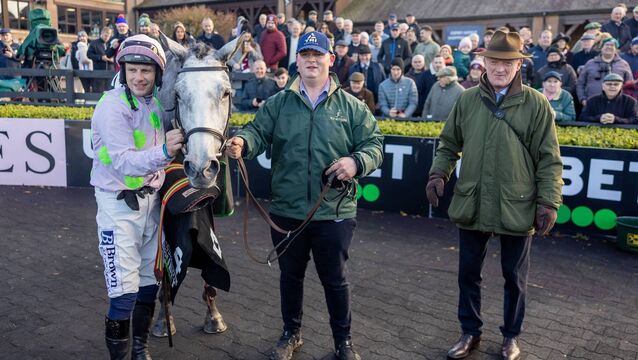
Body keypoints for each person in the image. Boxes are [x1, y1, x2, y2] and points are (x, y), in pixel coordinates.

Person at [225, 31, 383, 360]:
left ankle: (344, 341)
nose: (312, 60)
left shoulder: (351, 107)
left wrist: (356, 161)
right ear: (297, 60)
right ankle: (291, 334)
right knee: (290, 277)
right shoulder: (279, 103)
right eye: (305, 54)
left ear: (330, 59)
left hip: (334, 211)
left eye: (318, 54)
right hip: (287, 210)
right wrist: (243, 143)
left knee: (335, 280)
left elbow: (374, 146)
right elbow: (256, 132)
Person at [426, 30, 563, 360]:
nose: (500, 68)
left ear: (519, 65)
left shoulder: (536, 103)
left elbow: (549, 158)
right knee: (468, 274)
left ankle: (511, 336)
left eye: (508, 62)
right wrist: (438, 172)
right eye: (494, 61)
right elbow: (448, 143)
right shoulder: (468, 99)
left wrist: (548, 201)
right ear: (483, 62)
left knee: (515, 278)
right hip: (473, 200)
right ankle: (469, 331)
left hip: (517, 204)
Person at [90, 34, 184, 360]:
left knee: (149, 283)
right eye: (132, 70)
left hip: (151, 205)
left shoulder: (155, 104)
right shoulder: (111, 105)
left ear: (158, 73)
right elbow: (124, 161)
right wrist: (164, 151)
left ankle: (140, 349)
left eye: (146, 70)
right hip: (118, 206)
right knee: (124, 293)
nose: (139, 77)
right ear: (124, 70)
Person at [577, 38, 633, 107]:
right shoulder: (590, 63)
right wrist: (582, 99)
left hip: (617, 105)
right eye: (606, 45)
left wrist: (626, 102)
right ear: (601, 48)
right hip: (591, 104)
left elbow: (630, 85)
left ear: (616, 49)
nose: (609, 47)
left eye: (612, 45)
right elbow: (580, 84)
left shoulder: (623, 64)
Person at [87, 27, 115, 92]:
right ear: (101, 34)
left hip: (110, 70)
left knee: (110, 92)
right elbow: (89, 55)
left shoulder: (111, 43)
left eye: (108, 36)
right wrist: (100, 57)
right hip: (98, 70)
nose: (107, 38)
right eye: (105, 35)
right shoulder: (94, 43)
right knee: (98, 92)